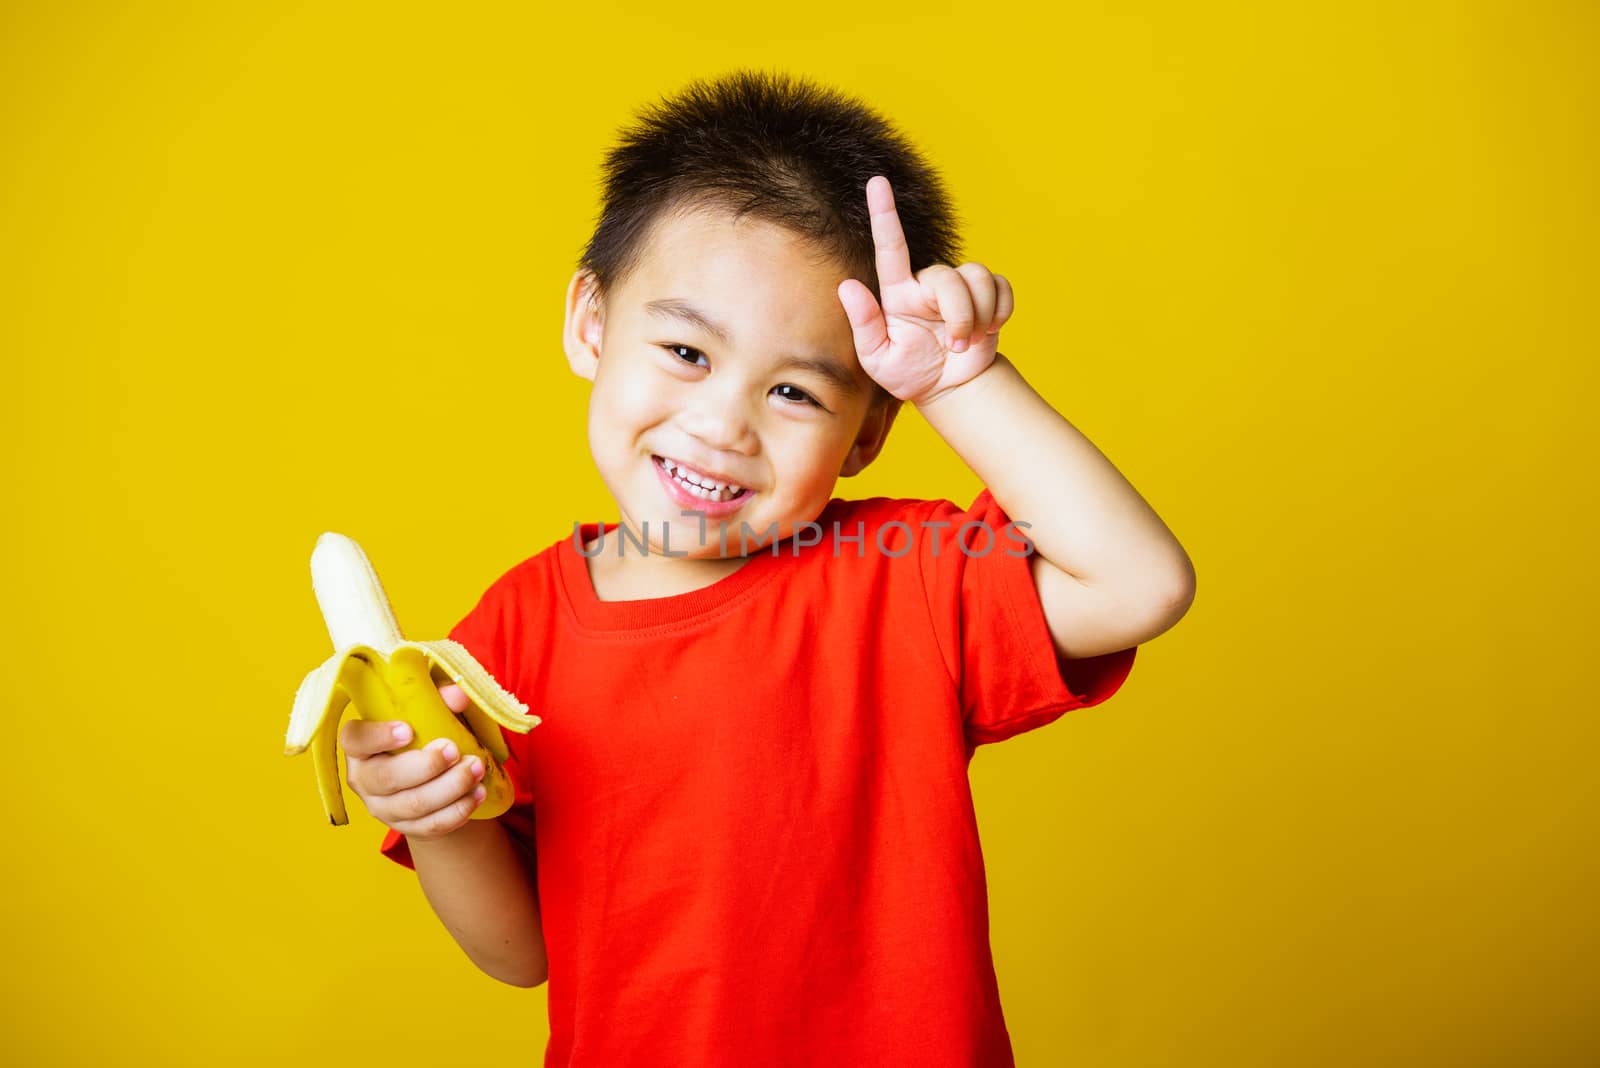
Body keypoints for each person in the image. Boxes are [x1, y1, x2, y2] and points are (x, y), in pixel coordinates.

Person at [338, 69, 1195, 1067]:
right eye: (687, 353)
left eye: (793, 391)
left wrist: (965, 383)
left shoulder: (901, 577)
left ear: (869, 433)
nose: (721, 427)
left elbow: (1140, 585)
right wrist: (436, 817)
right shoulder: (512, 634)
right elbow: (522, 953)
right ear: (591, 323)